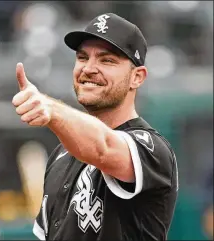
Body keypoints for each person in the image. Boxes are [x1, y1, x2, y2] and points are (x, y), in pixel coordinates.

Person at [12, 13, 178, 241]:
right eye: (82, 58)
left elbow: (102, 148)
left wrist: (50, 108)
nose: (88, 68)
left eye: (106, 60)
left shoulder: (152, 150)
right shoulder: (60, 155)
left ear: (137, 77)